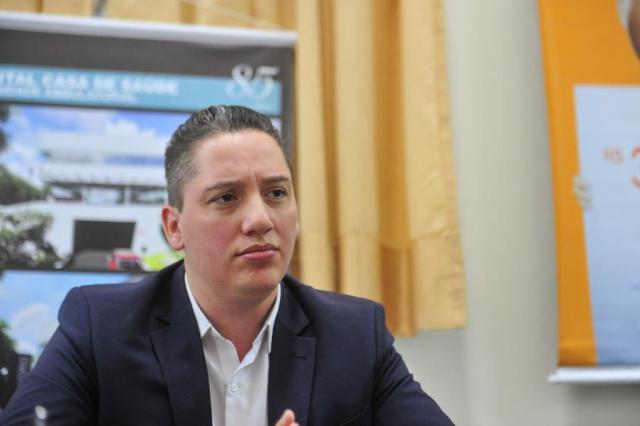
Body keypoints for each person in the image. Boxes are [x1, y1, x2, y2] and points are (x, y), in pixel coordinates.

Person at [0, 105, 453, 425]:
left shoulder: (355, 335)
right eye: (226, 198)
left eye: (277, 193)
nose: (260, 219)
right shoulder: (101, 327)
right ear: (174, 227)